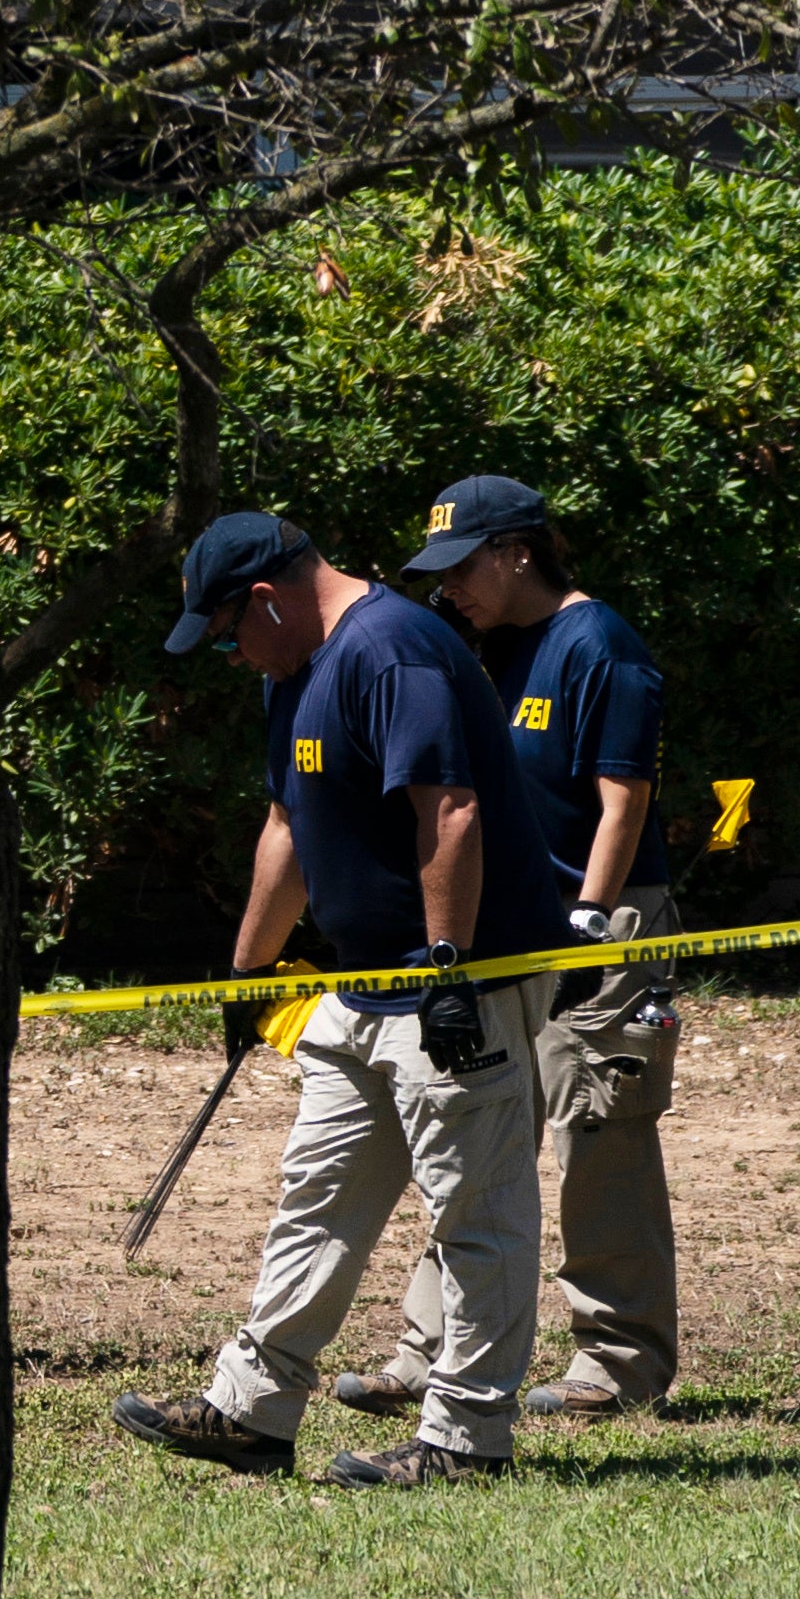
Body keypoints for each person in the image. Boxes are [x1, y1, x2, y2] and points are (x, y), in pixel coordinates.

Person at [112, 512, 568, 1488]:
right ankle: (252, 1409)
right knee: (313, 1200)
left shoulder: (390, 650)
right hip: (357, 990)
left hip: (455, 987)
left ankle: (466, 1439)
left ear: (268, 599)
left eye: (230, 633)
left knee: (476, 1216)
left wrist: (448, 970)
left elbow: (448, 811)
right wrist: (248, 972)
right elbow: (286, 824)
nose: (230, 656)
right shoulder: (294, 674)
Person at [349, 475, 682, 1421]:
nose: (446, 588)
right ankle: (429, 1349)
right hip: (511, 925)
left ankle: (617, 1361)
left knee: (597, 1135)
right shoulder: (488, 651)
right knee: (475, 1128)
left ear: (518, 553)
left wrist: (590, 916)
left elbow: (626, 800)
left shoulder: (599, 645)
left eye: (460, 568)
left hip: (596, 923)